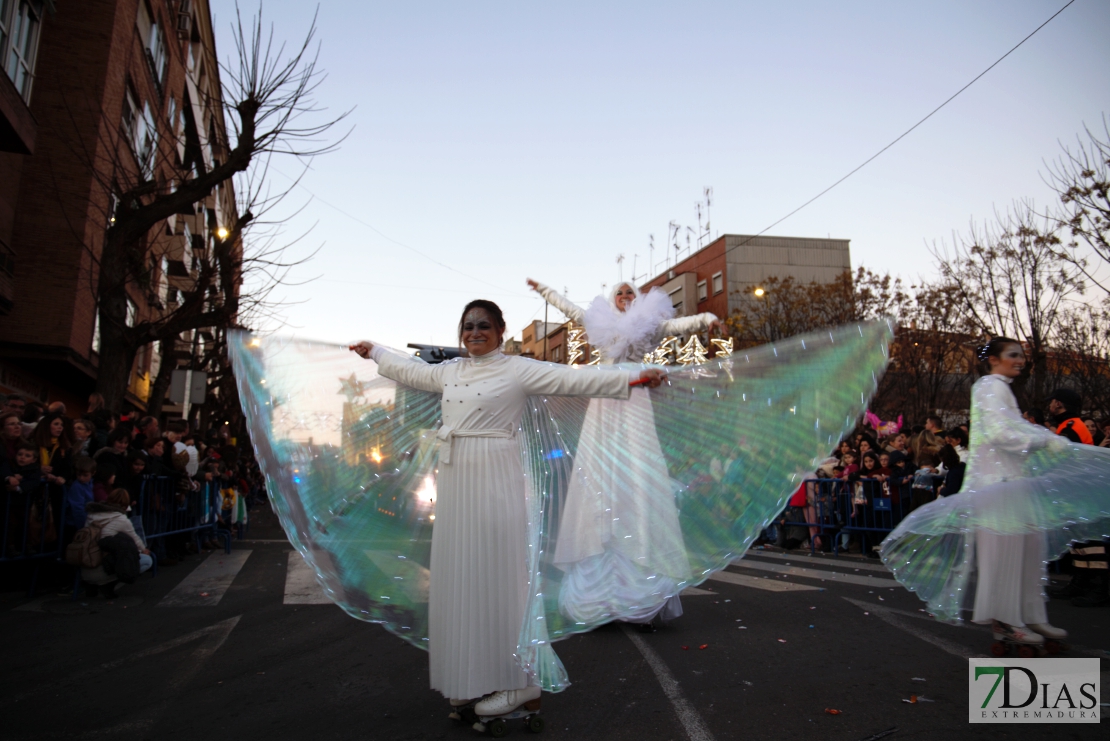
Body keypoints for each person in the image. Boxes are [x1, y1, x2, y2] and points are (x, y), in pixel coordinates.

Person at [350, 299, 666, 719]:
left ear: (500, 330)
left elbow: (573, 380)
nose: (474, 332)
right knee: (462, 581)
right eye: (467, 326)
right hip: (457, 478)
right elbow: (412, 370)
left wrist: (633, 380)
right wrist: (375, 351)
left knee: (501, 581)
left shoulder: (517, 368)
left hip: (497, 477)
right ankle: (471, 679)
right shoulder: (451, 371)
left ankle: (522, 684)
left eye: (483, 325)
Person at [527, 277, 722, 631]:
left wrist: (707, 319)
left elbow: (675, 326)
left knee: (636, 470)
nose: (624, 297)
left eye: (629, 293)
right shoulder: (599, 321)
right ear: (612, 299)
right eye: (619, 292)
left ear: (636, 299)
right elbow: (570, 310)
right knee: (599, 473)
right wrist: (544, 291)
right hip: (606, 396)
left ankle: (639, 596)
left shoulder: (649, 321)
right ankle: (597, 597)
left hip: (636, 395)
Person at [882, 337, 1102, 647]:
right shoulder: (989, 387)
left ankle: (1029, 613)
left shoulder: (1000, 388)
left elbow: (1012, 432)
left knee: (1028, 550)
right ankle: (1007, 620)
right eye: (1012, 354)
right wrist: (1043, 440)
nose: (1020, 360)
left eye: (1021, 355)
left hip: (1012, 485)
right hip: (997, 487)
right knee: (1006, 555)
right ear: (994, 359)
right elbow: (1001, 434)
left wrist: (1041, 439)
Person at [81, 488, 152, 598]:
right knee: (146, 560)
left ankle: (93, 586)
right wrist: (144, 550)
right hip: (104, 568)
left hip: (86, 565)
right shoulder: (121, 519)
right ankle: (109, 583)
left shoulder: (92, 514)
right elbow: (135, 538)